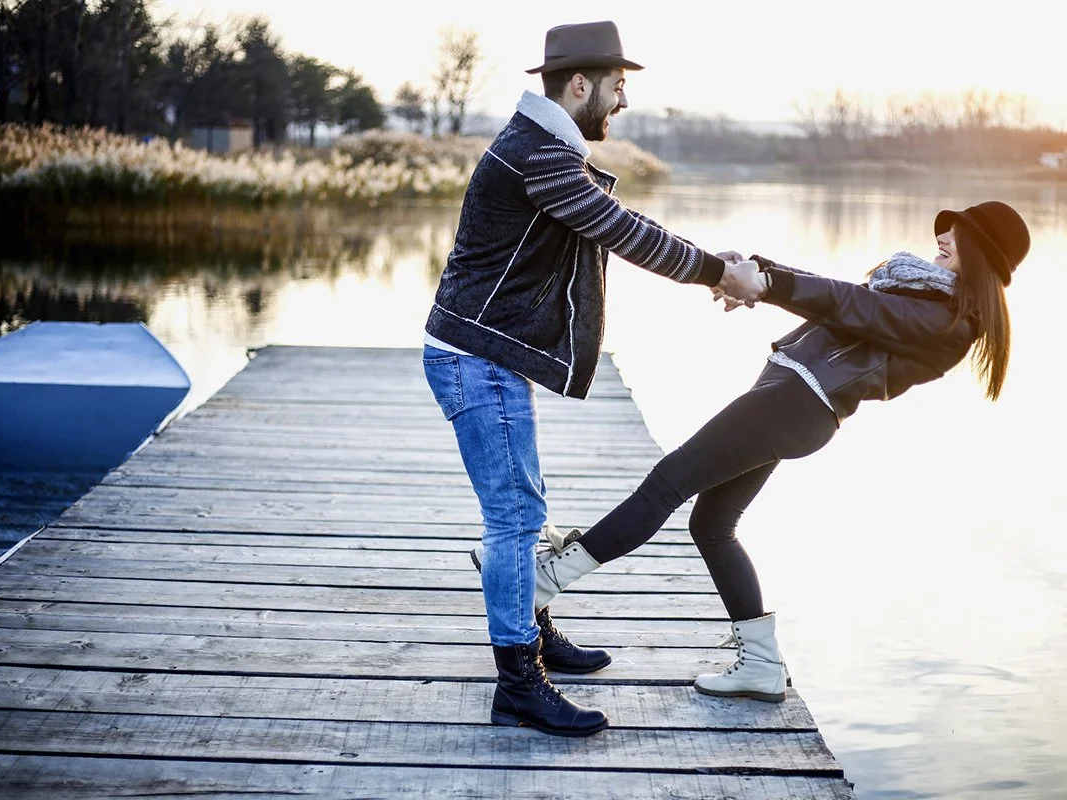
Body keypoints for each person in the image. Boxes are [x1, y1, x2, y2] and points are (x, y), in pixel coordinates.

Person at [521, 200, 1030, 703]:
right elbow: (844, 297)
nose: (943, 235)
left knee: (667, 482)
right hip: (791, 402)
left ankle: (541, 583)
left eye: (958, 231)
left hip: (796, 403)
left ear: (982, 254)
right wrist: (757, 272)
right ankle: (762, 665)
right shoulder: (927, 296)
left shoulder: (948, 323)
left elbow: (851, 305)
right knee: (712, 526)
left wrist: (767, 286)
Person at [422, 19, 760, 737]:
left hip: (485, 356)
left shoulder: (543, 151)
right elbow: (624, 232)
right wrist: (715, 272)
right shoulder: (536, 155)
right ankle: (518, 681)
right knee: (514, 517)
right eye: (617, 87)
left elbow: (619, 222)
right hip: (476, 359)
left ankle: (533, 636)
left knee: (524, 508)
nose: (623, 102)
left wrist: (712, 259)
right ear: (580, 85)